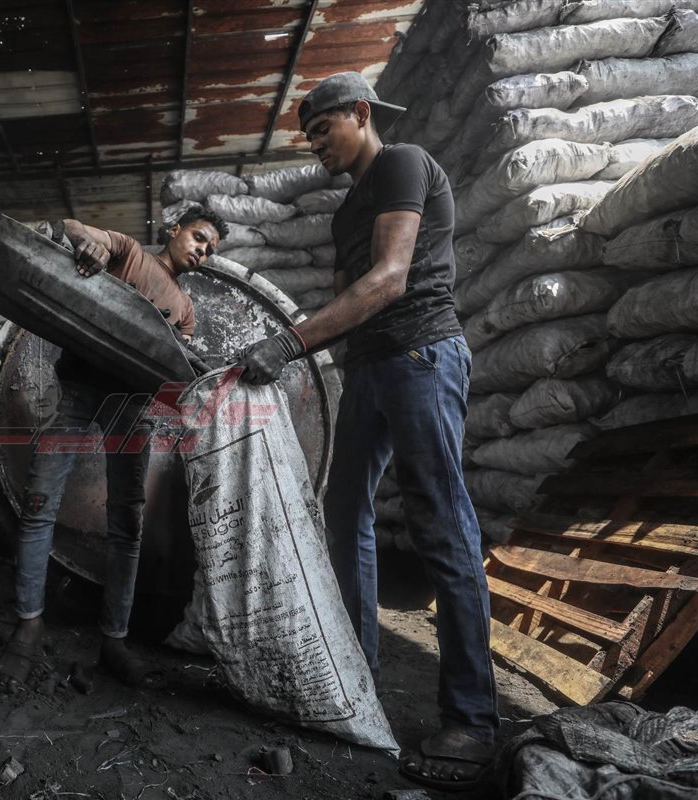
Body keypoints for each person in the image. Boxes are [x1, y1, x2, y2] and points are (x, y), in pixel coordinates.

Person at [237, 72, 499, 791]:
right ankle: (356, 675)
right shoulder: (345, 211)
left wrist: (287, 344)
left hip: (421, 355)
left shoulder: (402, 164)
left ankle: (473, 721)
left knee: (440, 525)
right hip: (370, 369)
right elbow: (348, 303)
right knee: (343, 511)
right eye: (309, 136)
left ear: (360, 113)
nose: (316, 144)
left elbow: (388, 280)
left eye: (323, 129)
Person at [0, 208, 228, 688]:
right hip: (79, 392)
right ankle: (28, 627)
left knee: (127, 527)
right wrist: (89, 245)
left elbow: (173, 365)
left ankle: (114, 640)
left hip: (132, 408)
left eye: (210, 250)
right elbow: (74, 228)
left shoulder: (184, 309)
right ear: (174, 230)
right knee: (38, 506)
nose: (202, 251)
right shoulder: (130, 252)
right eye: (199, 237)